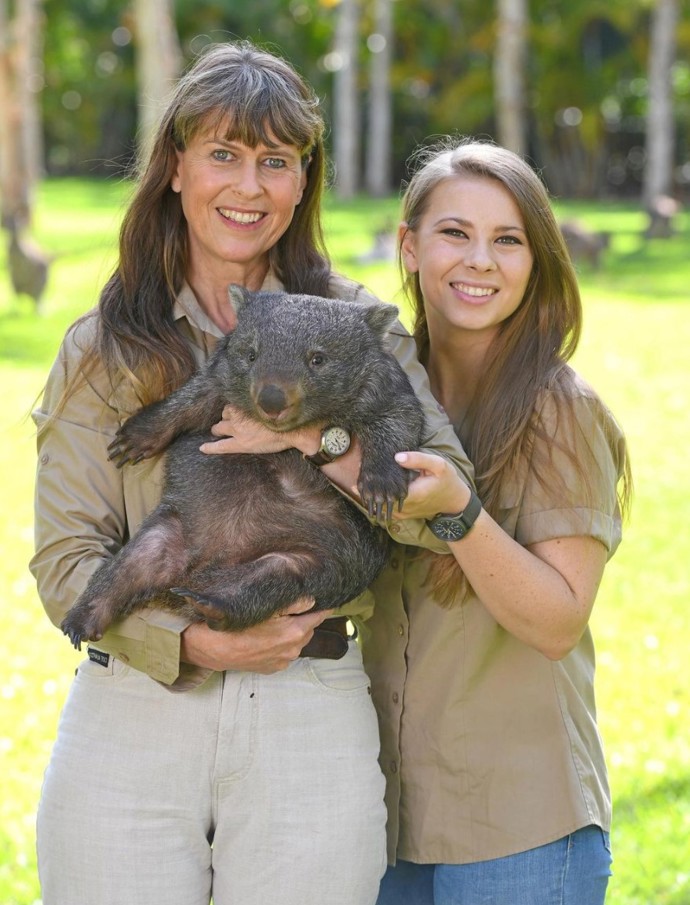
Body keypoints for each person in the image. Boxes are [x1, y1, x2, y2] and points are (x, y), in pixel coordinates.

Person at [30, 43, 473, 905]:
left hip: (305, 702)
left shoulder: (351, 323)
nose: (248, 186)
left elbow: (441, 499)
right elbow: (65, 562)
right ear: (174, 169)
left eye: (275, 161)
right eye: (223, 155)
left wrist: (316, 438)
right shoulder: (103, 346)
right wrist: (192, 642)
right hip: (137, 706)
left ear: (303, 181)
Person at [360, 139, 632, 905]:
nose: (480, 260)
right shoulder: (378, 395)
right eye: (455, 233)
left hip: (520, 829)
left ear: (536, 261)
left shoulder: (558, 409)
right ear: (409, 247)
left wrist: (459, 512)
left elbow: (556, 620)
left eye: (507, 240)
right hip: (385, 818)